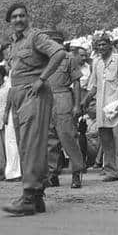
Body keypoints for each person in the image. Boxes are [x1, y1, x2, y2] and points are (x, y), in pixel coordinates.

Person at [2, 3, 66, 216]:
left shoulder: (35, 36)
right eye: (14, 17)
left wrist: (42, 78)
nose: (18, 20)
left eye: (21, 15)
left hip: (34, 92)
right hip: (19, 94)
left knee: (32, 145)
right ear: (10, 22)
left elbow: (58, 53)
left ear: (28, 17)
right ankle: (37, 197)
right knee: (26, 145)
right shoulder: (14, 43)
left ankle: (29, 196)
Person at [46, 31, 86, 189]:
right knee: (50, 139)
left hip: (63, 96)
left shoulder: (69, 58)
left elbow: (76, 82)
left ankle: (76, 171)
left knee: (68, 136)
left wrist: (76, 105)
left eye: (56, 41)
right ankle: (52, 174)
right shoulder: (43, 59)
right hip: (47, 98)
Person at [88, 34, 118, 183]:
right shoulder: (96, 62)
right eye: (98, 45)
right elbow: (93, 85)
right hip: (101, 107)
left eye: (103, 44)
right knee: (106, 141)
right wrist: (84, 101)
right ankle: (111, 171)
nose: (101, 48)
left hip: (115, 105)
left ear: (109, 45)